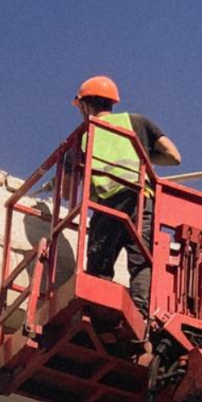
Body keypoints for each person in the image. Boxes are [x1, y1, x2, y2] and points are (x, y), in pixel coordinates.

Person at [72, 76, 181, 317]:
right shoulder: (137, 122)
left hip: (107, 205)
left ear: (85, 104)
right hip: (141, 199)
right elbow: (174, 156)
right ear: (112, 103)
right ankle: (141, 312)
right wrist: (144, 155)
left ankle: (98, 312)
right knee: (141, 256)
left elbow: (68, 183)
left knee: (100, 261)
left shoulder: (84, 135)